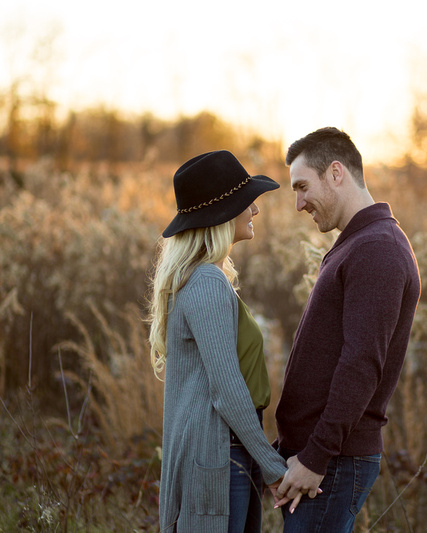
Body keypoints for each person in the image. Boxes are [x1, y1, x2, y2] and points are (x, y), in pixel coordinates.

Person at [273, 127, 421, 532]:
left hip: (334, 463)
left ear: (336, 173)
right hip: (323, 458)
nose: (299, 203)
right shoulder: (358, 243)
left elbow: (361, 365)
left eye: (303, 187)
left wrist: (316, 456)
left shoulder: (377, 248)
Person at [148, 150, 287, 533]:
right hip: (219, 456)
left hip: (222, 453)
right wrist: (272, 468)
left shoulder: (199, 279)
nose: (255, 211)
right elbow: (227, 392)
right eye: (247, 202)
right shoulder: (207, 282)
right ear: (223, 213)